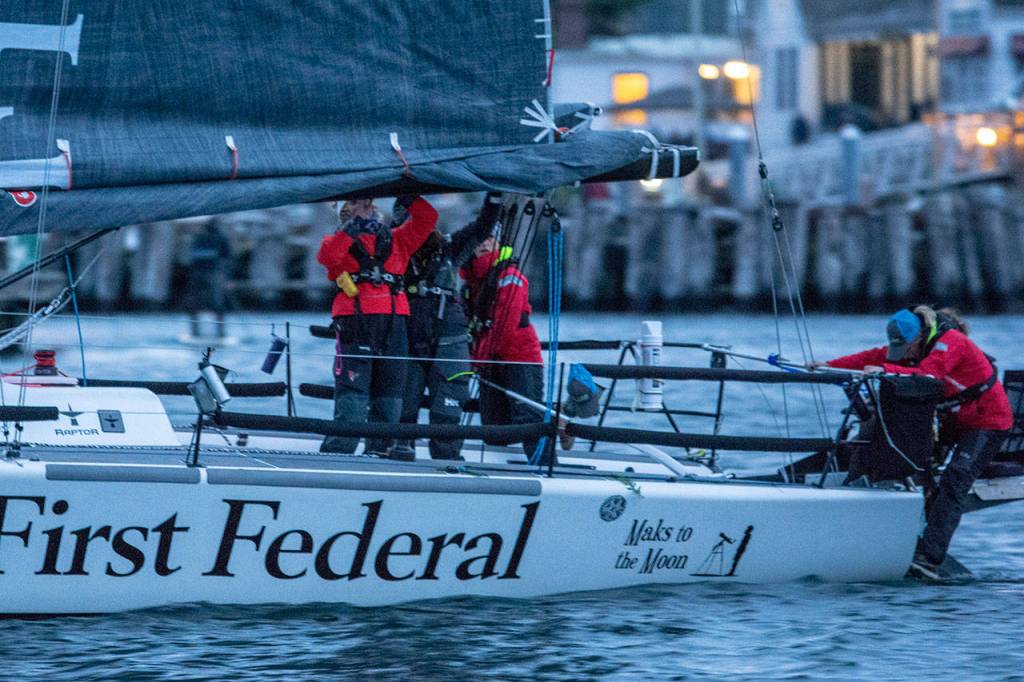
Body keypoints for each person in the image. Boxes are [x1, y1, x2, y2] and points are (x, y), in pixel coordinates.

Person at [821, 305, 1012, 578]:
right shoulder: (915, 345)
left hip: (988, 423)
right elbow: (873, 356)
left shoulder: (951, 343)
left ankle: (929, 557)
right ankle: (902, 536)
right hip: (953, 420)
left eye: (907, 349)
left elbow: (928, 375)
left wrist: (883, 369)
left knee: (956, 479)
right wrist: (828, 366)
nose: (904, 355)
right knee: (914, 464)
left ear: (920, 337)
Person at [316, 195, 438, 457]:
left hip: (394, 323)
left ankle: (379, 452)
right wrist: (354, 227)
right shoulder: (336, 241)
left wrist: (406, 193)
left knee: (391, 396)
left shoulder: (397, 239)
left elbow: (428, 218)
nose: (369, 207)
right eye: (360, 202)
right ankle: (338, 453)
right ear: (346, 210)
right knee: (353, 399)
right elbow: (327, 257)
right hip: (355, 322)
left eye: (371, 202)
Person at [397, 191, 503, 460]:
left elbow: (483, 227)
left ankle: (447, 460)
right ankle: (399, 452)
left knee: (448, 404)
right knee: (402, 403)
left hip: (449, 335)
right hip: (407, 335)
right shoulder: (392, 248)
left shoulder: (450, 247)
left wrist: (494, 198)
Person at [462, 235, 545, 461]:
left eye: (490, 239)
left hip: (519, 359)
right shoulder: (472, 281)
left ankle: (546, 468)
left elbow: (505, 324)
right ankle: (500, 471)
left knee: (529, 421)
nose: (485, 244)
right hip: (490, 360)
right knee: (493, 424)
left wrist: (478, 360)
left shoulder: (510, 277)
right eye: (481, 239)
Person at [186, 219, 231, 339]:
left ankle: (196, 331)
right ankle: (219, 332)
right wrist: (226, 277)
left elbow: (191, 258)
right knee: (215, 304)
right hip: (211, 274)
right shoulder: (220, 238)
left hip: (202, 273)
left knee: (198, 304)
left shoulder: (199, 238)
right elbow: (227, 259)